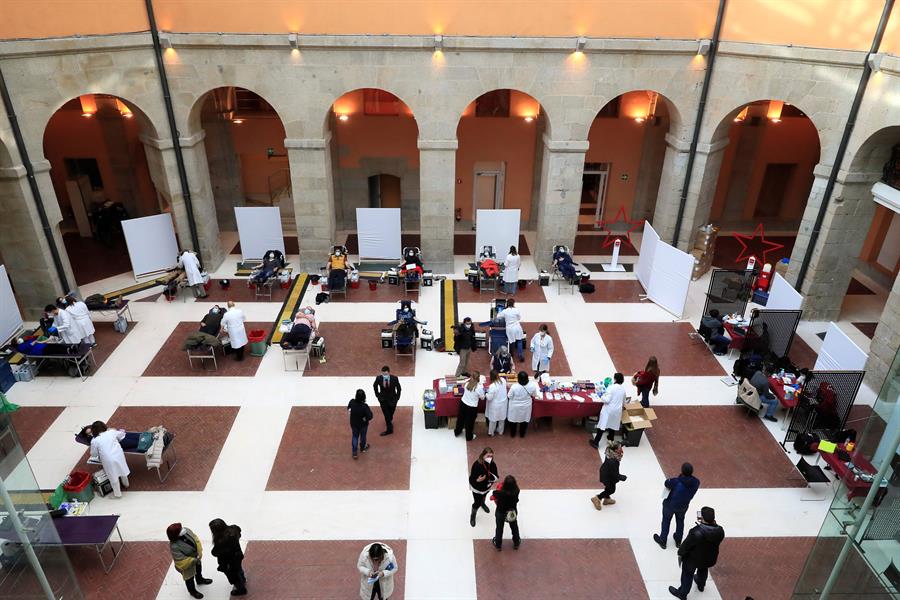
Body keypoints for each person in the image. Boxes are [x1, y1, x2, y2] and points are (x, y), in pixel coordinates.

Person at [669, 506, 725, 599]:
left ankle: (682, 593)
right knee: (703, 570)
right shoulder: (720, 531)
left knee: (687, 575)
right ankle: (701, 584)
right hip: (709, 558)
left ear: (702, 518)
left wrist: (680, 553)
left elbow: (686, 545)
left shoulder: (696, 532)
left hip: (692, 560)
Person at [654, 463, 701, 550]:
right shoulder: (696, 482)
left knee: (666, 521)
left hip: (670, 505)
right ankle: (678, 540)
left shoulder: (676, 482)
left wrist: (679, 477)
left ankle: (663, 540)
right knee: (680, 521)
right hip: (684, 506)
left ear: (682, 471)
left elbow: (667, 483)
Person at [167, 523, 213, 599]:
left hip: (196, 557)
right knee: (189, 579)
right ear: (175, 534)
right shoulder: (174, 546)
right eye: (180, 530)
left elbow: (195, 538)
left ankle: (200, 579)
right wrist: (193, 560)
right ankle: (192, 591)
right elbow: (180, 559)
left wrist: (199, 551)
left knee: (198, 569)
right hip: (188, 565)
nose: (183, 529)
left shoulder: (186, 531)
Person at [88, 420, 130, 498]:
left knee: (113, 476)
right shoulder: (111, 432)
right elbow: (122, 435)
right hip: (118, 455)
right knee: (122, 469)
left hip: (108, 459)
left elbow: (94, 454)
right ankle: (126, 484)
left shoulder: (94, 440)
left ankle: (117, 494)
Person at [208, 518, 246, 596]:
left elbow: (214, 552)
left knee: (234, 577)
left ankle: (241, 589)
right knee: (239, 569)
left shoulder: (222, 541)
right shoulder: (233, 529)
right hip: (237, 556)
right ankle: (243, 579)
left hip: (229, 563)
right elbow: (239, 529)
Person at [591, 372, 626, 447]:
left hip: (608, 410)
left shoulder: (611, 387)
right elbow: (624, 402)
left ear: (615, 379)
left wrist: (601, 396)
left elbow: (606, 400)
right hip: (617, 411)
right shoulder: (623, 389)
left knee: (602, 426)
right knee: (612, 424)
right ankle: (610, 437)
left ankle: (596, 442)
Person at [591, 441, 626, 510]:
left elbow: (617, 445)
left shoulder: (610, 450)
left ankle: (606, 499)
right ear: (616, 450)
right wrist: (622, 477)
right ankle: (597, 498)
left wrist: (625, 442)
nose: (621, 449)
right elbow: (614, 474)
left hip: (605, 471)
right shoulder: (613, 461)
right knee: (611, 490)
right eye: (620, 448)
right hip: (608, 476)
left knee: (608, 487)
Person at [469, 447, 499, 526]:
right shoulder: (477, 465)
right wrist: (477, 480)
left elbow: (496, 475)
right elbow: (471, 479)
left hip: (487, 487)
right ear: (483, 455)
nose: (490, 458)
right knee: (477, 502)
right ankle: (473, 515)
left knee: (484, 497)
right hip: (477, 488)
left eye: (491, 456)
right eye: (488, 456)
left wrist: (493, 478)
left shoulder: (492, 464)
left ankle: (483, 504)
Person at [491, 474, 520, 550]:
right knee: (514, 527)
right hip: (512, 512)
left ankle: (498, 545)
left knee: (499, 529)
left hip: (501, 512)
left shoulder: (501, 493)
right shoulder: (517, 490)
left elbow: (494, 493)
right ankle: (516, 542)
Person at [506, 370, 539, 438]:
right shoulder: (532, 385)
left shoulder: (514, 387)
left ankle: (513, 434)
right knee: (524, 421)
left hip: (514, 407)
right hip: (526, 407)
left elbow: (509, 396)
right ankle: (522, 434)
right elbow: (534, 395)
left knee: (513, 421)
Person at [454, 371, 484, 442]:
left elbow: (464, 387)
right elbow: (482, 398)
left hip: (463, 403)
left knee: (460, 419)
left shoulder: (467, 383)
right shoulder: (479, 387)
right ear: (478, 378)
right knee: (469, 423)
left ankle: (457, 431)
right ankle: (469, 436)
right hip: (472, 407)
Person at [373, 365, 401, 436]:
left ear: (389, 372)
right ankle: (389, 429)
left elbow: (399, 388)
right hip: (383, 400)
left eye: (385, 374)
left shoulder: (394, 378)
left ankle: (389, 420)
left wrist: (397, 398)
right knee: (386, 415)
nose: (384, 375)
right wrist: (378, 395)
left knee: (391, 413)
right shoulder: (379, 378)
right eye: (383, 374)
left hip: (392, 400)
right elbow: (375, 386)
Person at [348, 389, 373, 459]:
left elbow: (349, 409)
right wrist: (364, 419)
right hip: (363, 425)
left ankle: (354, 452)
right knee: (363, 436)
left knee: (355, 436)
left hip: (354, 423)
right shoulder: (364, 406)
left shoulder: (352, 402)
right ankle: (362, 447)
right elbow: (370, 416)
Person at [485, 370, 509, 436]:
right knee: (502, 419)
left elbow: (489, 397)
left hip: (495, 405)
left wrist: (486, 393)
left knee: (493, 420)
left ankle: (491, 432)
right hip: (503, 403)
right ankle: (500, 431)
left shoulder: (492, 386)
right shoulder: (503, 380)